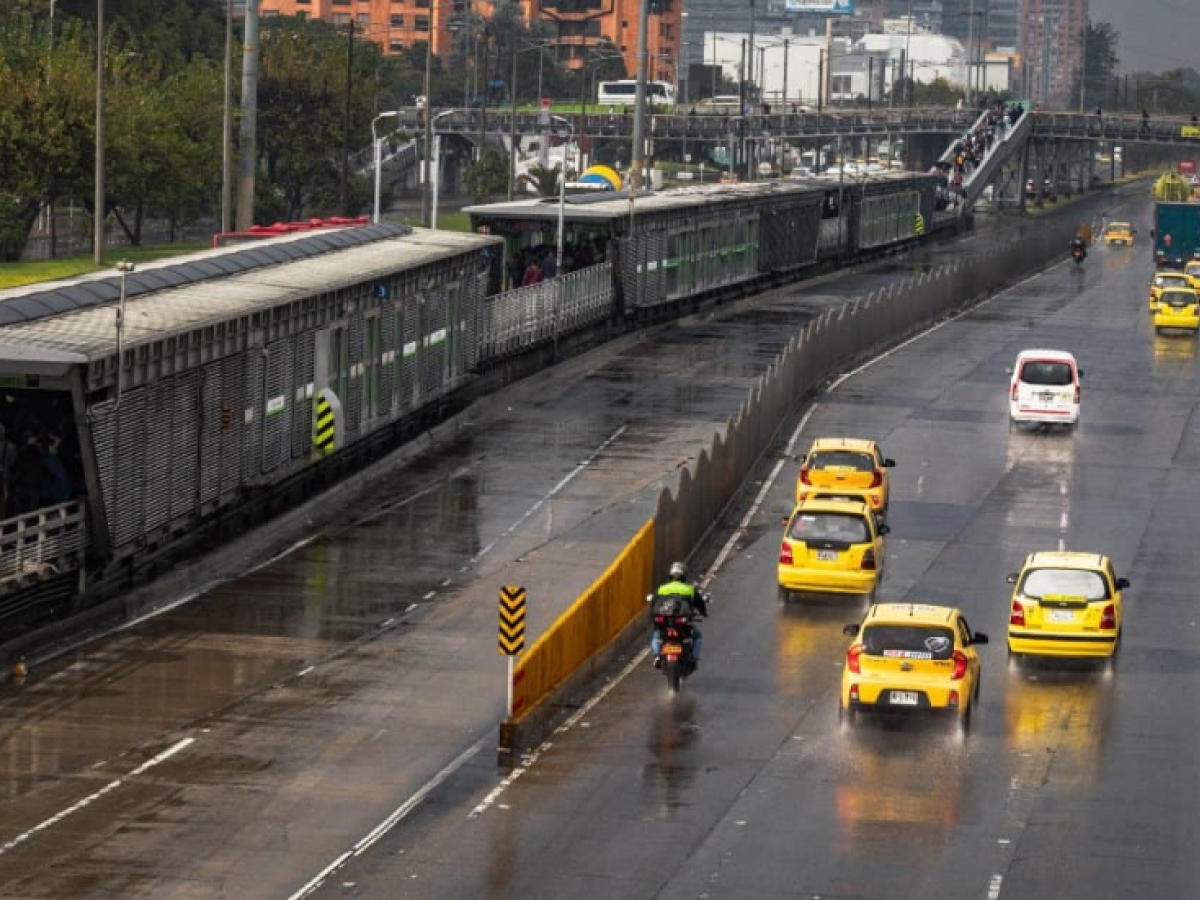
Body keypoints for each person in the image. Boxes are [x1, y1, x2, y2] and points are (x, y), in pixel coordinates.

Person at [650, 561, 709, 669]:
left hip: (663, 622)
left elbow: (654, 604)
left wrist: (653, 618)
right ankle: (694, 658)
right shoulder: (689, 589)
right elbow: (700, 603)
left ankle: (657, 655)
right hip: (682, 623)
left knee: (656, 635)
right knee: (697, 636)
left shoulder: (661, 589)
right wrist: (704, 614)